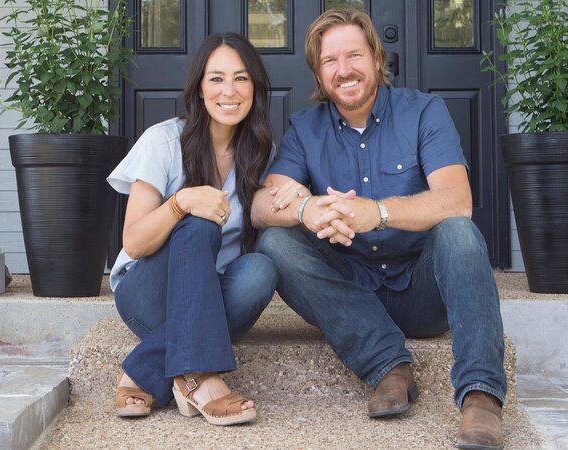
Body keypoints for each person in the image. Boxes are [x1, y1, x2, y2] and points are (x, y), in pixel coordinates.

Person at [251, 9, 506, 449]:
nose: (344, 70)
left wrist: (378, 213)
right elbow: (260, 206)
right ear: (318, 71)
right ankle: (388, 367)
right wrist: (306, 207)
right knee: (276, 242)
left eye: (353, 55)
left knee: (459, 232)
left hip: (422, 291)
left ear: (375, 58)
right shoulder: (305, 129)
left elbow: (456, 200)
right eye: (330, 61)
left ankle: (481, 397)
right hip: (352, 292)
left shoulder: (424, 111)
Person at [108, 32, 277, 426]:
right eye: (216, 78)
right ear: (199, 88)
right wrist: (180, 203)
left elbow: (275, 208)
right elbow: (133, 242)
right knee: (200, 222)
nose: (229, 91)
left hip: (211, 299)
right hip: (148, 293)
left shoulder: (260, 153)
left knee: (262, 270)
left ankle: (141, 372)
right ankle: (200, 378)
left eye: (241, 78)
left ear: (255, 87)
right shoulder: (163, 141)